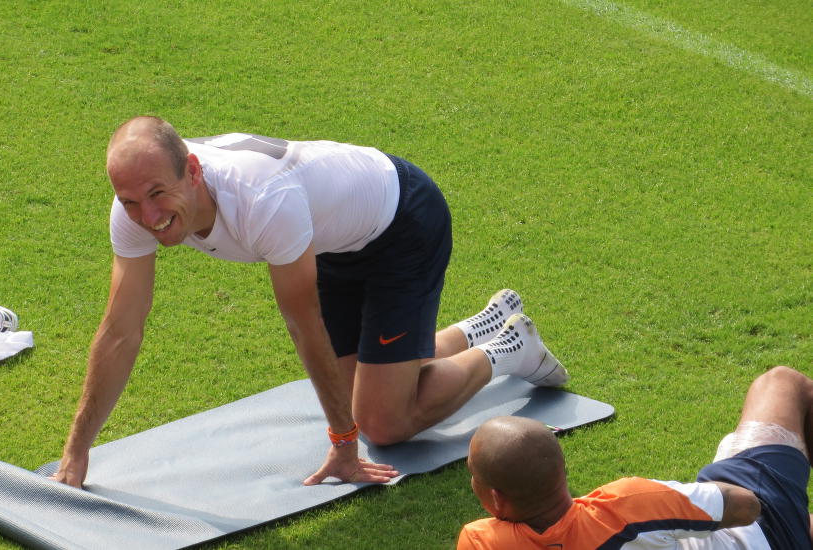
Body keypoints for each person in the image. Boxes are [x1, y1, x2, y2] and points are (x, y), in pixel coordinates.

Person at [52, 116, 568, 488]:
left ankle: (511, 349)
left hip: (401, 224)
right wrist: (77, 452)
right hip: (328, 240)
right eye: (130, 202)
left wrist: (345, 444)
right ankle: (485, 324)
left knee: (381, 424)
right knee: (366, 390)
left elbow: (305, 325)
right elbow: (120, 330)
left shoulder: (261, 199)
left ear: (192, 170)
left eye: (157, 194)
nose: (148, 215)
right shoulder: (137, 206)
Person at [458, 365, 813, 549]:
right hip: (761, 536)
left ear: (496, 497)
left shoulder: (481, 542)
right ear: (561, 468)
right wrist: (680, 501)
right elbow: (746, 506)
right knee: (781, 383)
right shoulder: (627, 506)